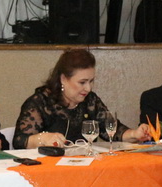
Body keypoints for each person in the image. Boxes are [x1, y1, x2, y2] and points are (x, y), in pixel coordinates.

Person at [14, 48, 151, 149]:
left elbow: (113, 131)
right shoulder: (40, 103)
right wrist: (42, 138)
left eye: (91, 81)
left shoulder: (90, 101)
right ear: (63, 79)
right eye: (82, 82)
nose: (88, 88)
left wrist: (135, 134)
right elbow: (20, 141)